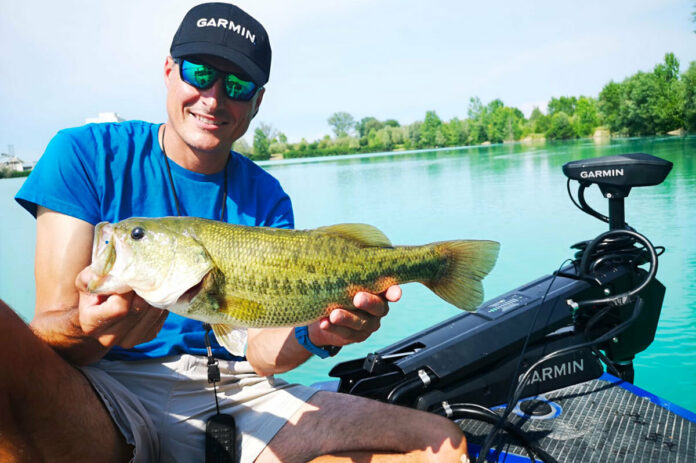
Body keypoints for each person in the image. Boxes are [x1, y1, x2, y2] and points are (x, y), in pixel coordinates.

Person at [2, 3, 468, 462]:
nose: (214, 98)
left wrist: (319, 334)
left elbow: (259, 351)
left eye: (238, 86)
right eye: (199, 74)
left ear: (257, 102)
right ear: (169, 71)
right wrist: (87, 328)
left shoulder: (266, 195)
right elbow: (48, 330)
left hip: (240, 393)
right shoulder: (83, 154)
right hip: (108, 390)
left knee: (444, 446)